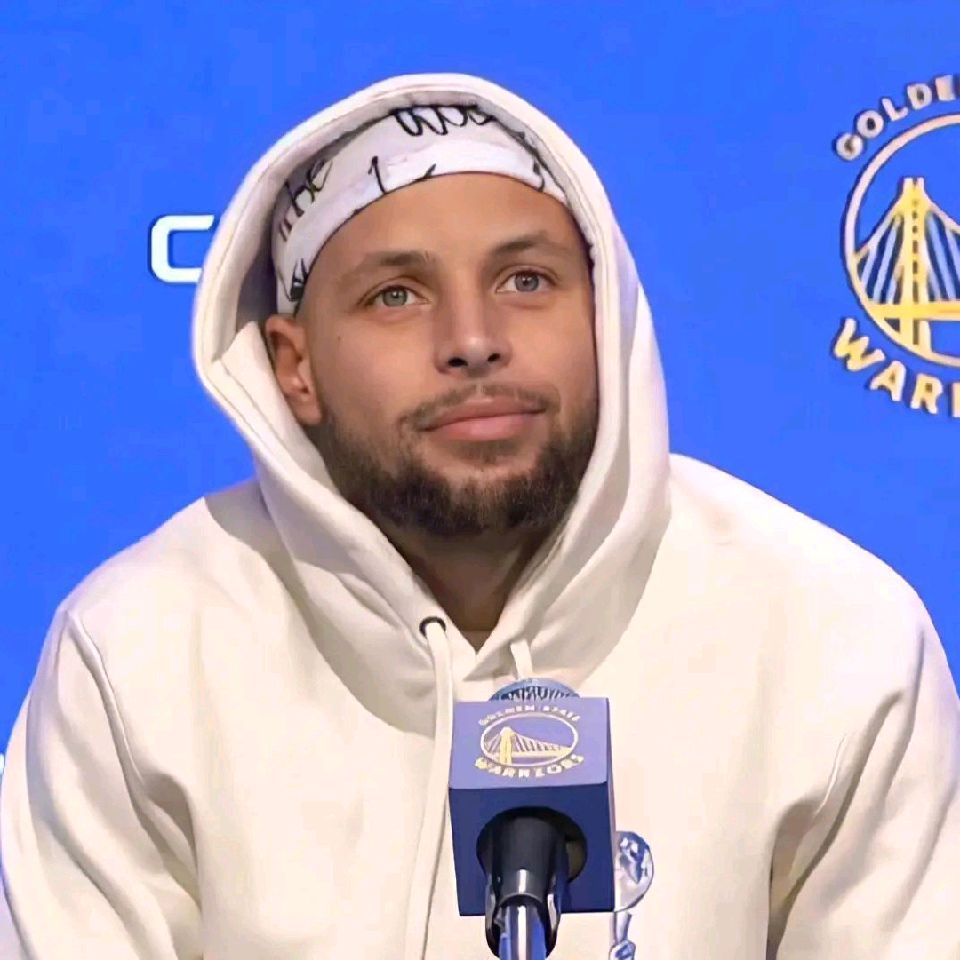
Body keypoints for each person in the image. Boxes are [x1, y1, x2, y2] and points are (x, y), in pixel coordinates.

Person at [0, 72, 957, 960]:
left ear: (606, 314)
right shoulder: (142, 649)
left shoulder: (833, 636)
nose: (472, 341)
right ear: (295, 367)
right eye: (396, 295)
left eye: (525, 281)